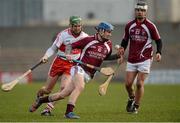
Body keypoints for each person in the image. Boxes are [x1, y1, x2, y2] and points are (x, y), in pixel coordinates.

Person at [29, 22, 120, 119]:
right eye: (108, 32)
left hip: (89, 74)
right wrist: (68, 53)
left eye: (111, 32)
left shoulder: (108, 45)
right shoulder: (88, 40)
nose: (110, 34)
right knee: (80, 87)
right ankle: (68, 112)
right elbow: (69, 45)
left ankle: (41, 100)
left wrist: (117, 56)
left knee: (63, 94)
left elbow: (105, 57)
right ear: (101, 31)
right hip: (79, 68)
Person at [30, 16, 88, 116]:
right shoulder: (63, 34)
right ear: (70, 25)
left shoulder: (85, 37)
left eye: (79, 26)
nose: (78, 28)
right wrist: (45, 56)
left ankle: (47, 109)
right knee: (47, 89)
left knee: (64, 88)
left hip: (71, 65)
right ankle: (39, 97)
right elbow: (53, 48)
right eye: (75, 26)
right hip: (59, 62)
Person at [118, 1, 162, 114]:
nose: (140, 12)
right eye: (138, 10)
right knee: (128, 84)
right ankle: (131, 97)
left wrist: (159, 52)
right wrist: (122, 49)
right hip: (132, 59)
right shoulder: (129, 25)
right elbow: (125, 40)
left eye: (142, 10)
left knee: (139, 83)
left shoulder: (151, 26)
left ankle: (136, 106)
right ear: (135, 11)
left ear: (146, 12)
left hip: (145, 58)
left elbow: (158, 40)